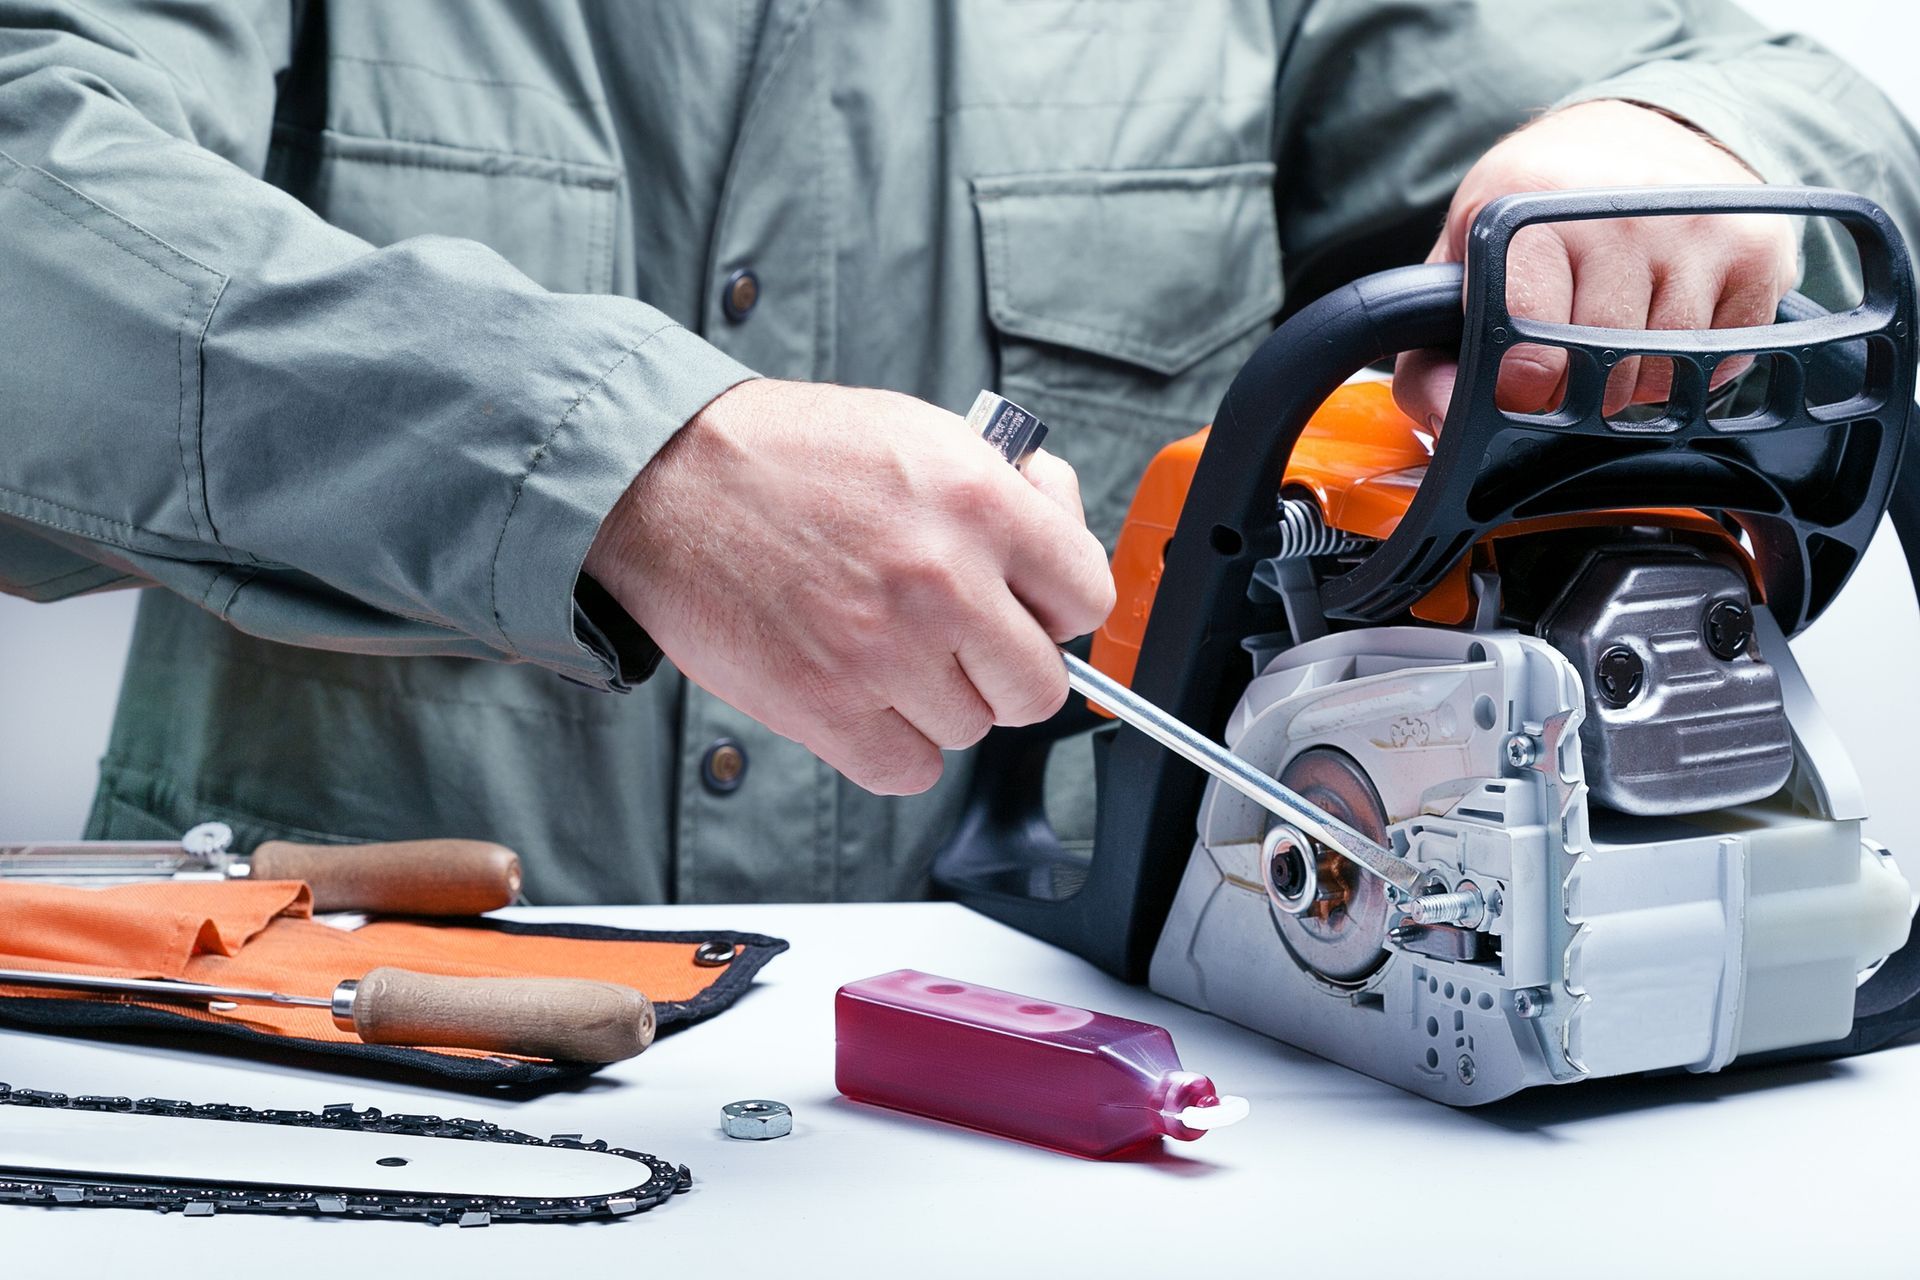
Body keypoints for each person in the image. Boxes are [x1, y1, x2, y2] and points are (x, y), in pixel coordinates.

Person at [1, 2, 1913, 903]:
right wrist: (628, 468)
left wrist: (1683, 147)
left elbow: (1784, 99)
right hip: (325, 1074)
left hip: (1088, 1118)